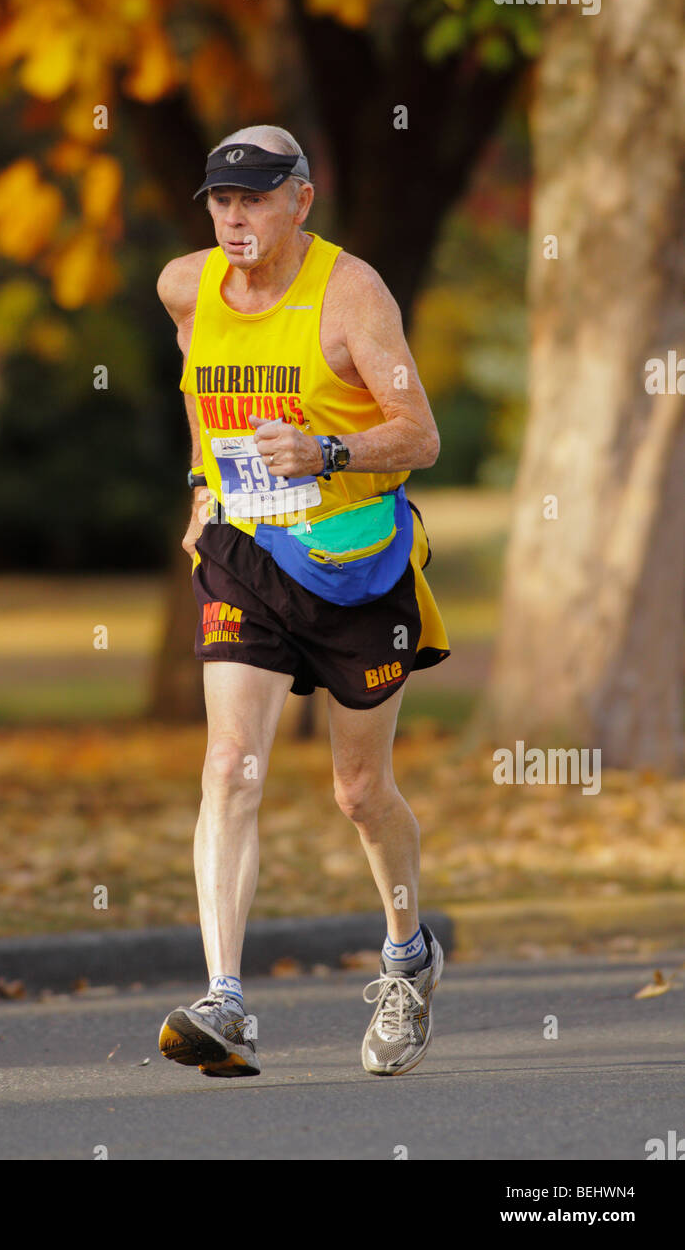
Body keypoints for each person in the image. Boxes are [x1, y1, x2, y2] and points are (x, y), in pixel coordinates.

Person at [155, 125, 449, 1078]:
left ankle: (407, 957)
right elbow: (204, 392)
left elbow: (420, 435)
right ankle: (227, 1002)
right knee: (231, 763)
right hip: (246, 555)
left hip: (355, 565)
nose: (236, 217)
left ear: (301, 200)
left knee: (360, 794)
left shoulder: (351, 293)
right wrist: (206, 481)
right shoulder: (185, 285)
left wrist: (325, 452)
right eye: (221, 200)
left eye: (256, 197)